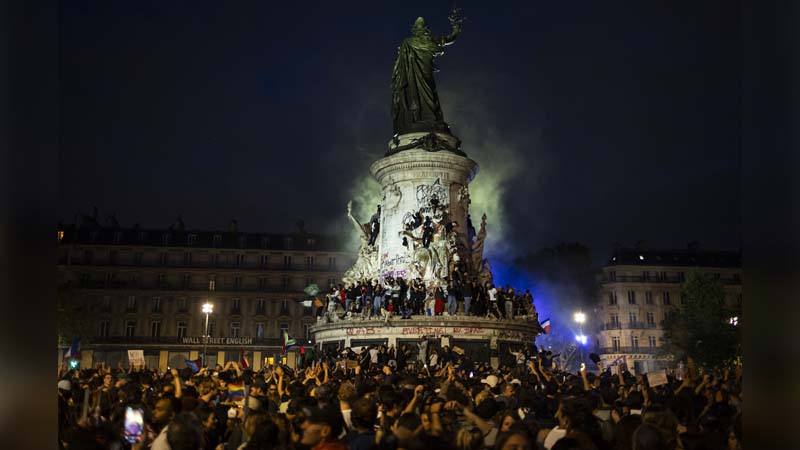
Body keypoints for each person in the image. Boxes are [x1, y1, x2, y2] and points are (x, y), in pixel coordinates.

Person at [391, 12, 463, 136]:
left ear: (426, 29)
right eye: (418, 27)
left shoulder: (431, 40)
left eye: (422, 27)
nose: (421, 29)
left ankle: (430, 119)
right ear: (414, 29)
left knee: (429, 93)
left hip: (426, 71)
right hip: (411, 74)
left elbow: (448, 38)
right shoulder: (408, 42)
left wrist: (456, 28)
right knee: (413, 94)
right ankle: (415, 119)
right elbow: (400, 64)